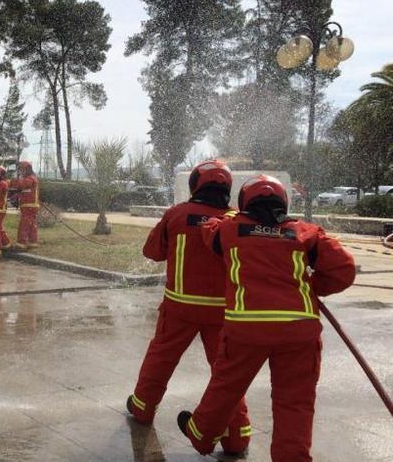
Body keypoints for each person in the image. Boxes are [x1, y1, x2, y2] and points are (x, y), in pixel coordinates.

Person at [178, 174, 356, 461]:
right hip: (299, 330)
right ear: (283, 202)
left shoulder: (230, 231)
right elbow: (345, 269)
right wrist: (311, 288)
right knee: (295, 403)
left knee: (226, 387)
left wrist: (232, 216)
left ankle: (201, 435)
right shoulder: (305, 233)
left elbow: (209, 229)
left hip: (247, 328)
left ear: (244, 202)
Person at [125, 159, 251, 456]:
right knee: (226, 375)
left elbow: (151, 251)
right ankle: (237, 436)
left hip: (179, 307)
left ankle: (142, 408)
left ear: (196, 184)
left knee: (161, 359)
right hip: (223, 312)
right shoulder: (236, 221)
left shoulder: (177, 214)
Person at [9, 160, 40, 249]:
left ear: (27, 169)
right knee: (31, 225)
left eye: (22, 170)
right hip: (30, 205)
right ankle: (33, 242)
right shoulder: (32, 177)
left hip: (29, 205)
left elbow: (21, 184)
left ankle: (21, 244)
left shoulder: (31, 178)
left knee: (24, 224)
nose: (21, 172)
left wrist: (13, 180)